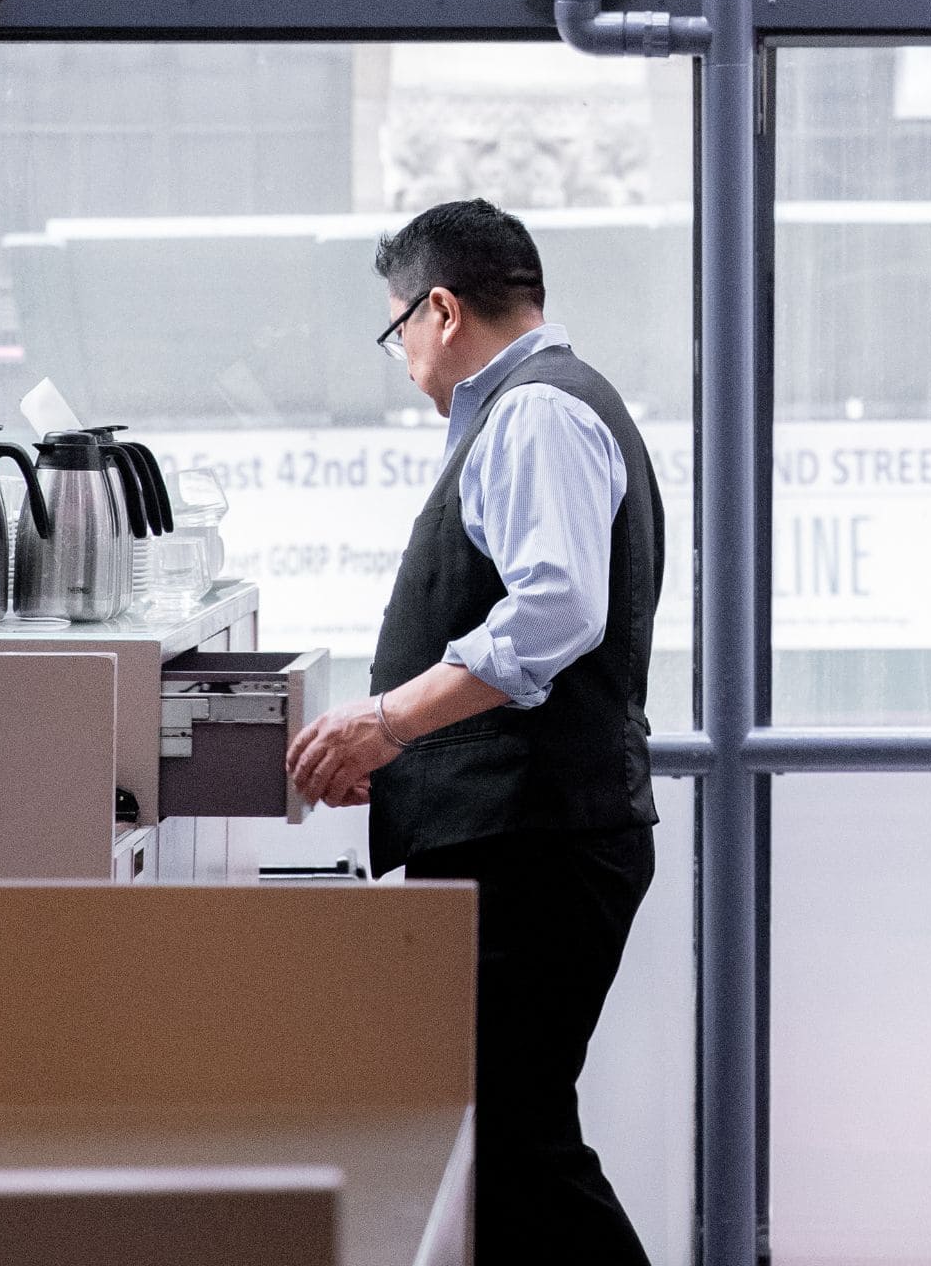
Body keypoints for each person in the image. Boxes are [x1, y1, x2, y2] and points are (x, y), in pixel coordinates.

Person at [286, 198, 664, 1264]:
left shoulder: (536, 415)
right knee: (504, 1141)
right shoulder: (541, 409)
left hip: (543, 841)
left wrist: (388, 722)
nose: (400, 350)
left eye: (396, 325)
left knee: (514, 1140)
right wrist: (406, 747)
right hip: (538, 832)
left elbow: (552, 614)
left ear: (441, 310)